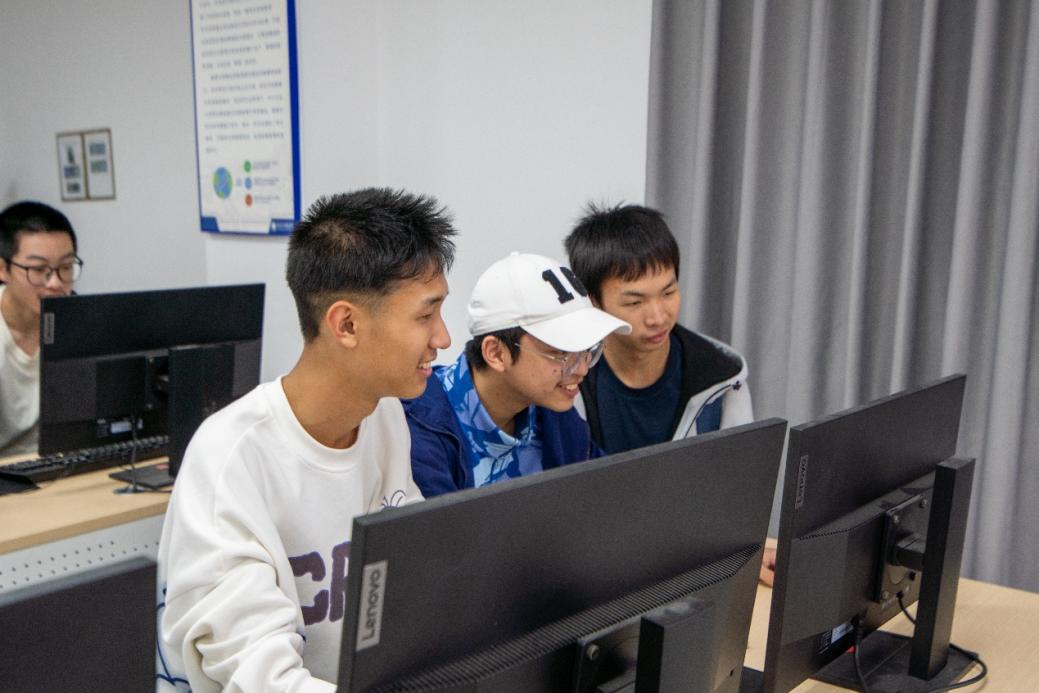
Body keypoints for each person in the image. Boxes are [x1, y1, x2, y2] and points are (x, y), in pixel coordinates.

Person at [156, 188, 457, 692]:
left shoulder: (384, 416)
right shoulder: (230, 459)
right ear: (347, 324)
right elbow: (265, 681)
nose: (443, 338)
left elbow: (411, 584)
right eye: (425, 316)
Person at [564, 203, 773, 582]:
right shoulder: (565, 381)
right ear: (593, 302)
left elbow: (737, 495)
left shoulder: (722, 375)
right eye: (634, 302)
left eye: (669, 291)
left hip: (689, 571)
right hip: (591, 575)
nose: (658, 316)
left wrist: (748, 548)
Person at [404, 252, 630, 497]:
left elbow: (604, 494)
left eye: (587, 350)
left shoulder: (553, 411)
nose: (582, 369)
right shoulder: (416, 428)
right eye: (561, 353)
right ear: (496, 353)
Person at [0, 201, 81, 456]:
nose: (55, 283)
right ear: (2, 269)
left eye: (66, 268)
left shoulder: (80, 325)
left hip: (61, 464)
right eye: (38, 269)